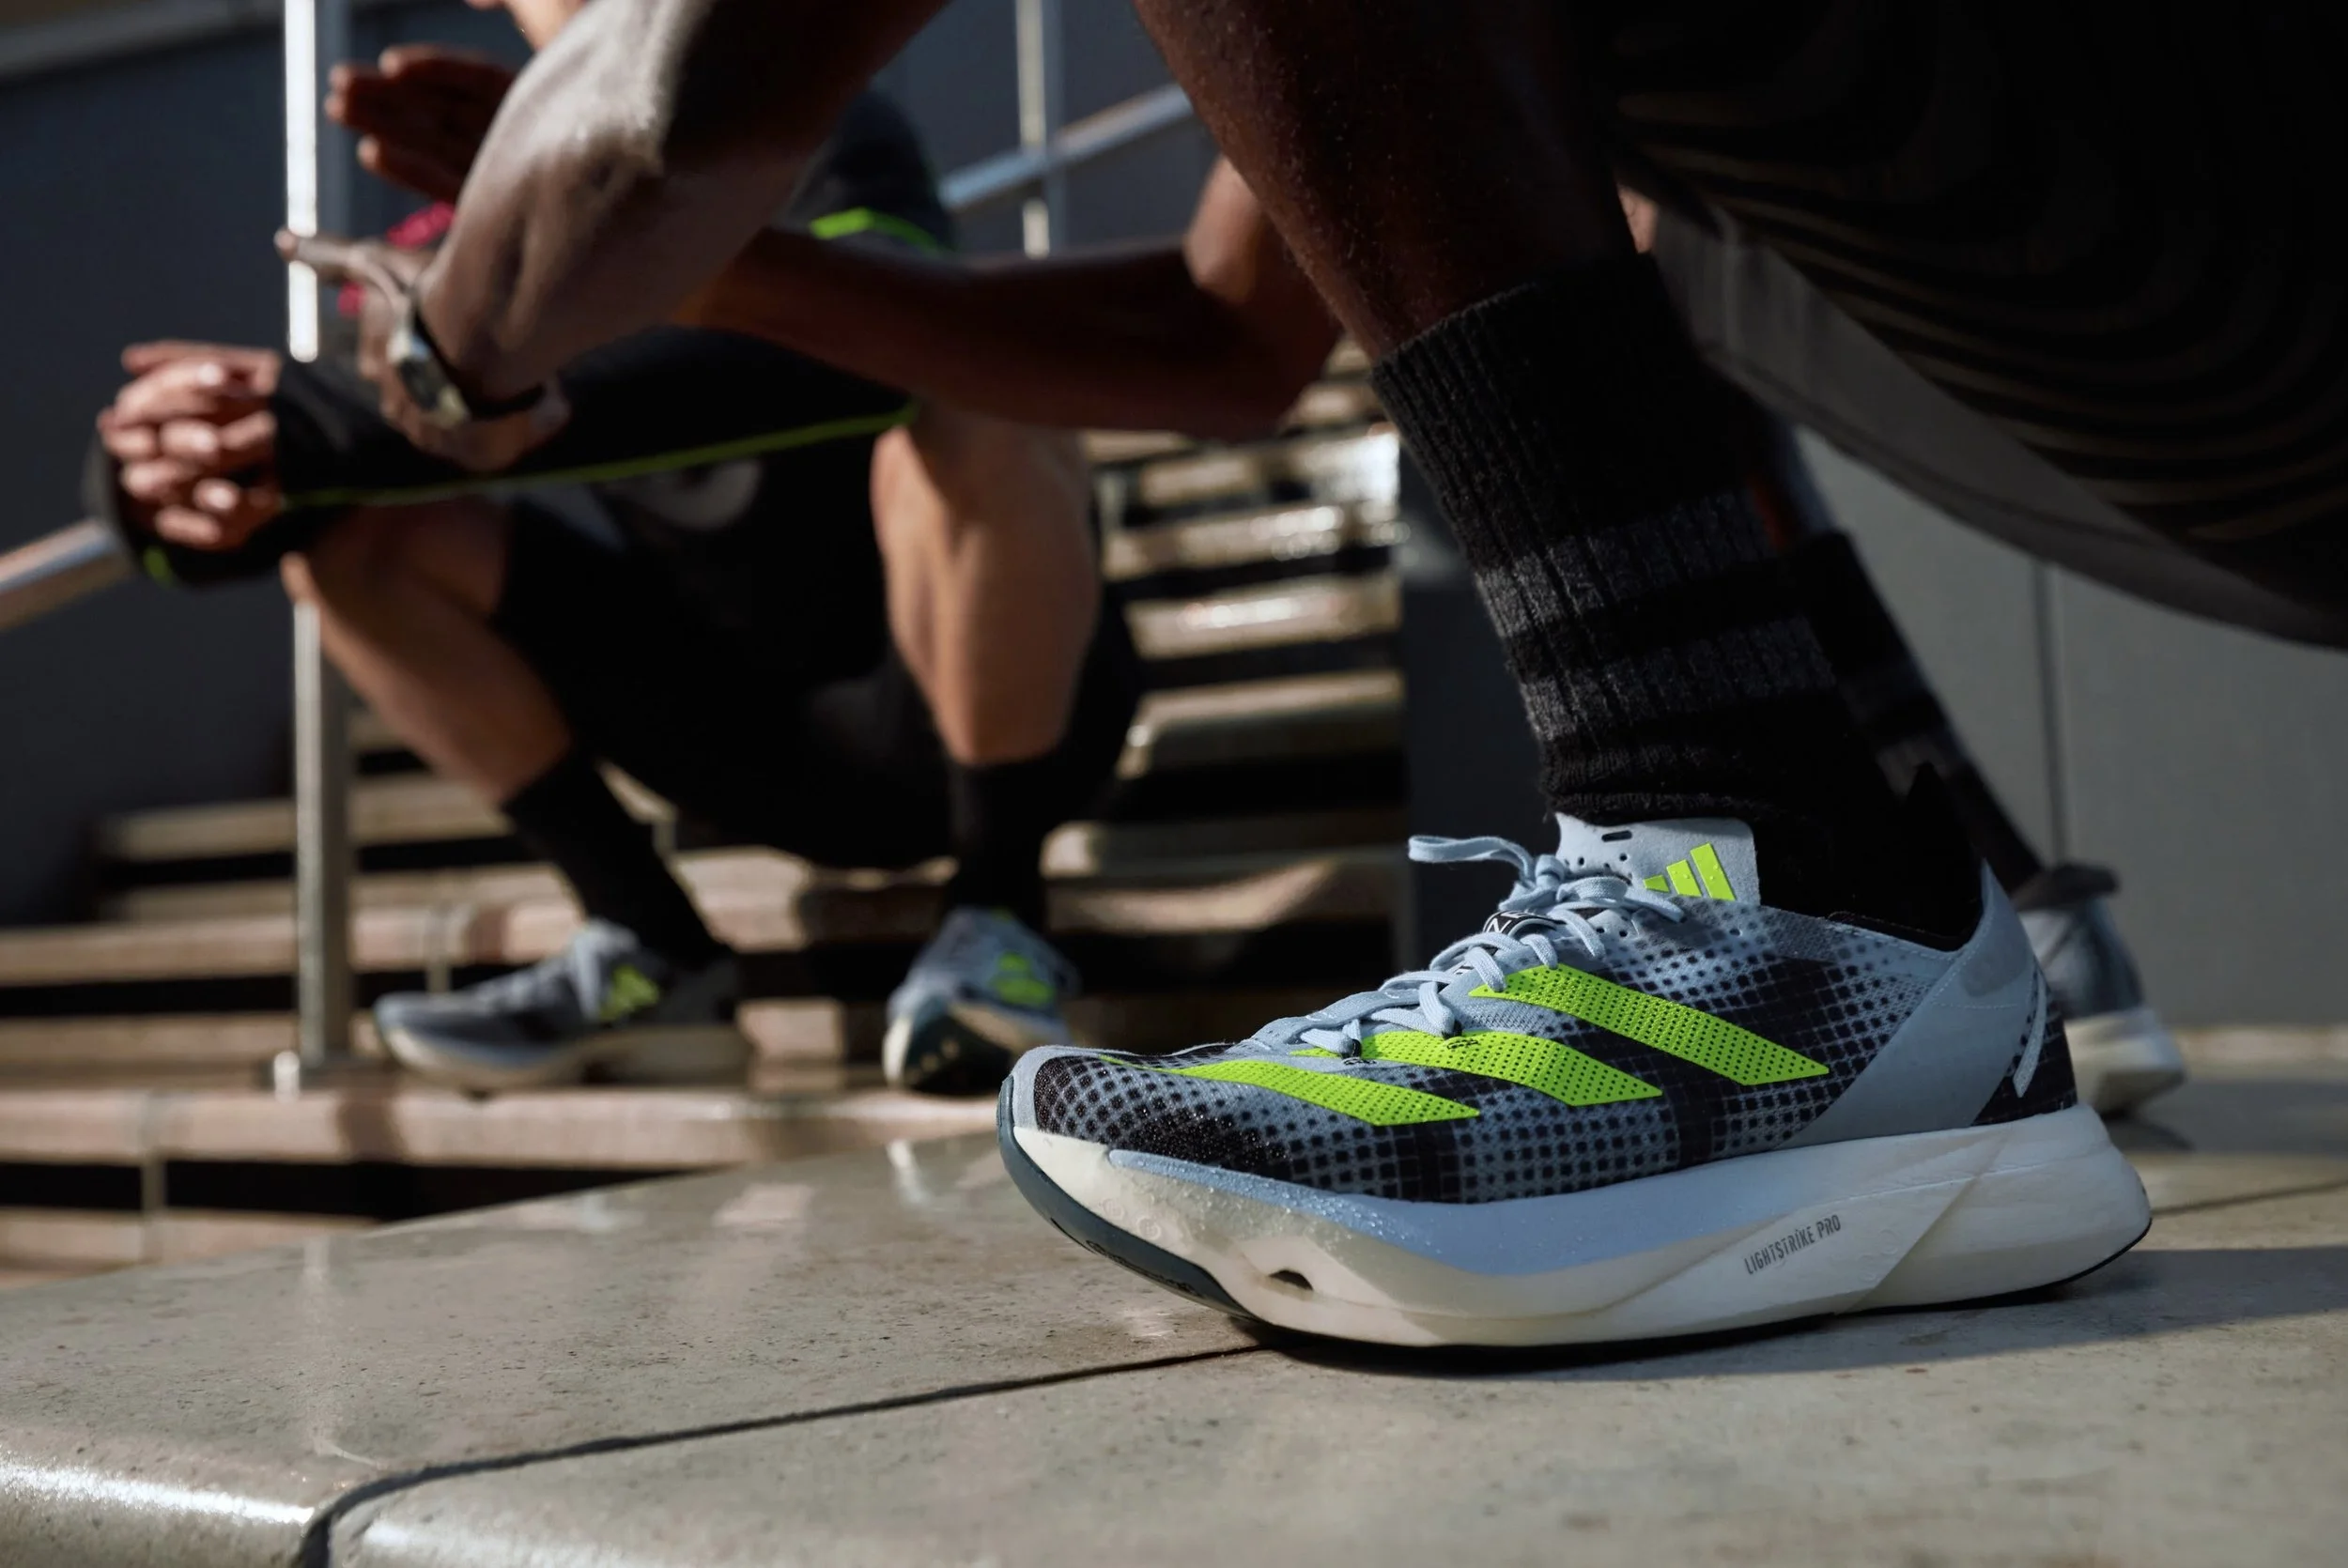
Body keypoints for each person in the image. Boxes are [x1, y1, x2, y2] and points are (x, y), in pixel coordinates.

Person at [257, 1, 2348, 1345]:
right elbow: (1222, 336)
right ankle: (1872, 933)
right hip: (2173, 340)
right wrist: (693, 250)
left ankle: (1784, 884)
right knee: (1543, 183)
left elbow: (638, 121)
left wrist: (447, 339)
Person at [94, 16, 1139, 1097]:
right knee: (353, 539)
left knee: (976, 380)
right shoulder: (487, 211)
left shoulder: (809, 116)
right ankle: (651, 945)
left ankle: (1002, 917)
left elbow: (868, 355)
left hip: (996, 706)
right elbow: (300, 476)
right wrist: (160, 473)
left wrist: (397, 408)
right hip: (750, 737)